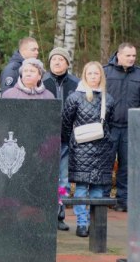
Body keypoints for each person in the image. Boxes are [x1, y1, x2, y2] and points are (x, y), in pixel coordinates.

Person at [61, 62, 116, 237]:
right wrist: (71, 143)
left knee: (98, 190)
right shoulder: (75, 97)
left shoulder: (109, 99)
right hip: (80, 151)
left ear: (101, 76)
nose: (93, 76)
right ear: (85, 75)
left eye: (96, 74)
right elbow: (66, 124)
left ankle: (95, 225)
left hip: (102, 151)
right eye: (90, 73)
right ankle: (82, 224)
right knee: (82, 189)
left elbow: (111, 125)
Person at [43, 47, 80, 231]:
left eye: (61, 59)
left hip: (66, 140)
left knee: (63, 181)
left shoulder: (76, 83)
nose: (57, 62)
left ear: (67, 63)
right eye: (54, 59)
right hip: (44, 140)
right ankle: (43, 216)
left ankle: (59, 215)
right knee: (45, 178)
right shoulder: (42, 81)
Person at [103, 43, 140, 212]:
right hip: (108, 126)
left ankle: (122, 200)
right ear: (118, 55)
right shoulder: (105, 72)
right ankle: (102, 199)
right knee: (105, 163)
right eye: (128, 55)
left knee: (126, 165)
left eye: (134, 55)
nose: (132, 58)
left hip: (131, 128)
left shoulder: (139, 74)